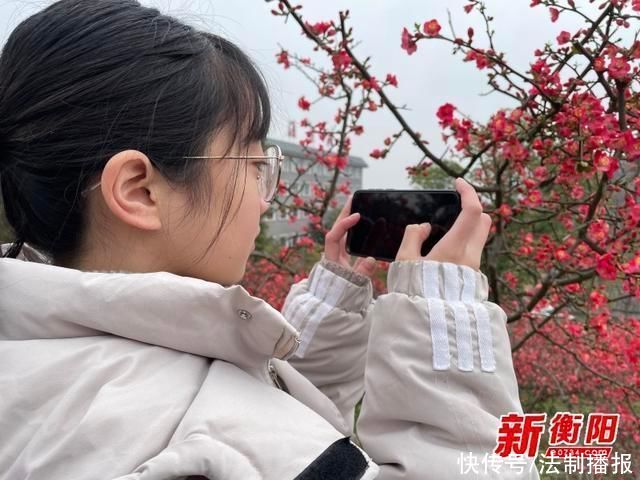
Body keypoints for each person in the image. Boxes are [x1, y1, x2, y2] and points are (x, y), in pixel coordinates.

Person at [0, 1, 538, 479]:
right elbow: (265, 439)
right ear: (140, 191)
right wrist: (447, 317)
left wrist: (333, 306)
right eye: (255, 165)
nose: (266, 199)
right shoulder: (226, 441)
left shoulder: (33, 356)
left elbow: (264, 408)